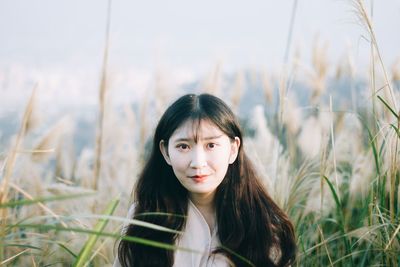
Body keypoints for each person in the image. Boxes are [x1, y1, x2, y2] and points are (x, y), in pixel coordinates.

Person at [114, 93, 296, 267]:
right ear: (166, 152)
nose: (198, 163)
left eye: (211, 145)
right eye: (183, 146)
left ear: (233, 149)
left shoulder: (264, 225)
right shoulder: (145, 218)